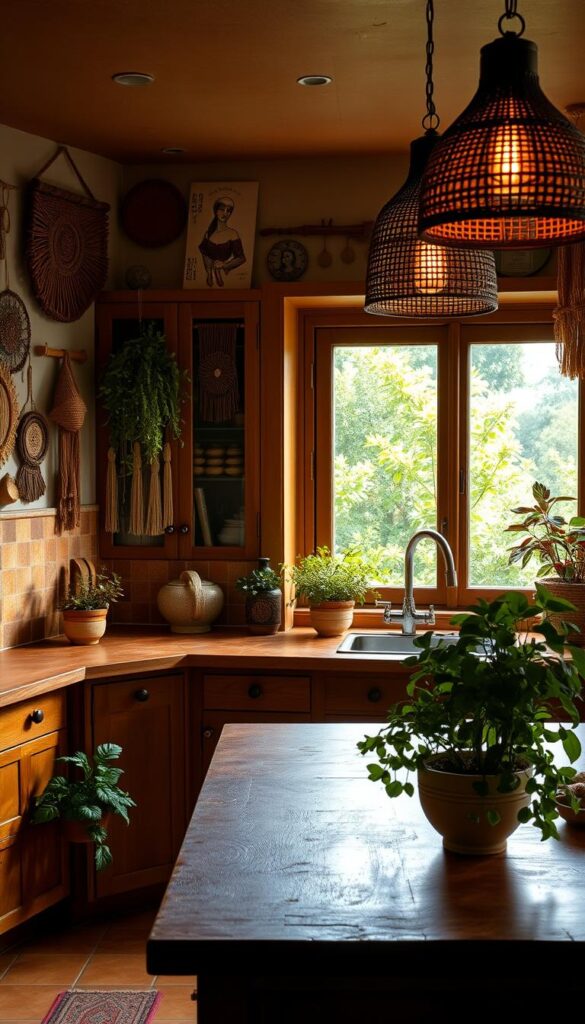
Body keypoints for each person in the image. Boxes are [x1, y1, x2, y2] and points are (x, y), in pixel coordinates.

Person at [199, 196, 246, 287]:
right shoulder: (208, 233)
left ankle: (217, 271)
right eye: (221, 209)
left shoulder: (233, 234)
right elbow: (204, 252)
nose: (225, 213)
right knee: (205, 252)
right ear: (216, 211)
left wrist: (225, 265)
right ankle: (210, 273)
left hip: (224, 263)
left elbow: (241, 258)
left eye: (228, 211)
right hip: (210, 265)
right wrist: (209, 272)